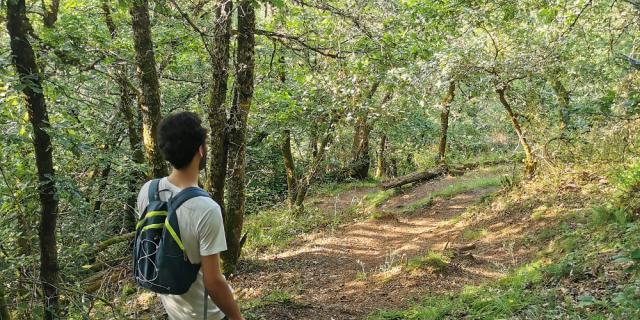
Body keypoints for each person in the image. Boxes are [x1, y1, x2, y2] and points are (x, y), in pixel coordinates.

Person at [136, 112, 244, 320]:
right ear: (201, 151)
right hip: (208, 315)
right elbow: (213, 282)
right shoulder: (206, 209)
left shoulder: (148, 192)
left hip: (175, 312)